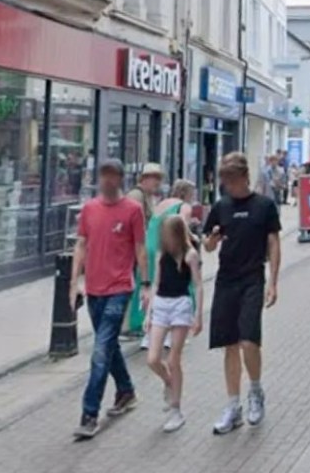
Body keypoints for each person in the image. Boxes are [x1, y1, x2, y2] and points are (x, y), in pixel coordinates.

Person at [203, 152, 282, 435]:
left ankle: (256, 392)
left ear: (244, 177)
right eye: (225, 181)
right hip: (226, 280)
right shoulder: (221, 206)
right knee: (230, 343)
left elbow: (273, 243)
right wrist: (210, 240)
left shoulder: (264, 206)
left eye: (232, 181)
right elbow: (209, 246)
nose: (228, 186)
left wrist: (273, 281)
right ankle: (233, 405)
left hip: (252, 279)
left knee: (249, 340)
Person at [70, 159, 148, 439]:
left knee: (100, 351)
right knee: (109, 343)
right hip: (94, 289)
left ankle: (89, 414)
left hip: (120, 287)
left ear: (121, 179)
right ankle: (126, 391)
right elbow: (81, 244)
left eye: (113, 175)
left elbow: (140, 248)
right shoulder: (90, 209)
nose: (108, 180)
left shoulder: (133, 210)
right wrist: (73, 282)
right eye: (104, 175)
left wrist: (146, 283)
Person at [145, 199, 203, 432]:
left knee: (174, 358)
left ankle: (176, 409)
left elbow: (198, 285)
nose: (166, 240)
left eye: (169, 236)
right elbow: (156, 284)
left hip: (180, 304)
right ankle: (169, 382)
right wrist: (150, 313)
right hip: (161, 304)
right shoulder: (161, 254)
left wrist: (198, 315)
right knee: (152, 359)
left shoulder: (190, 256)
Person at [124, 163, 166, 338]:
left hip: (138, 247)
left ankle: (131, 324)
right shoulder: (136, 195)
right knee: (129, 286)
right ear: (144, 179)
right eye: (154, 178)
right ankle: (124, 327)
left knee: (135, 285)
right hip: (131, 248)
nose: (157, 182)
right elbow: (130, 222)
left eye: (159, 178)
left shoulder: (148, 196)